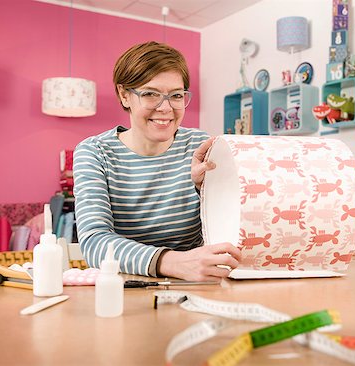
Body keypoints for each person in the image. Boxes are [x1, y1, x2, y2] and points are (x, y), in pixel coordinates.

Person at [73, 41, 241, 282]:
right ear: (124, 95)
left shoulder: (200, 145)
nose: (166, 108)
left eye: (176, 95)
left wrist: (203, 190)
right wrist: (173, 263)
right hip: (125, 287)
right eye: (150, 94)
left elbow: (227, 224)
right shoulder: (95, 152)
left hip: (197, 283)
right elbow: (95, 243)